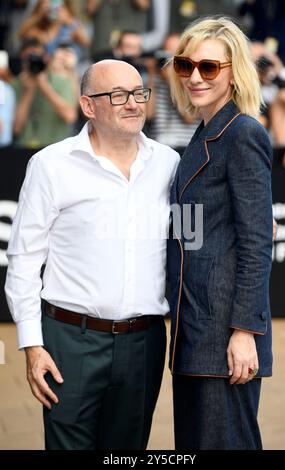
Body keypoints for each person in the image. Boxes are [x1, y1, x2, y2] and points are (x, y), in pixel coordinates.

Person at [5, 59, 180, 450]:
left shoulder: (169, 164)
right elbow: (24, 261)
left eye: (139, 93)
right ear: (88, 106)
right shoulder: (50, 165)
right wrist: (33, 347)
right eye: (118, 95)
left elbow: (192, 235)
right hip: (70, 342)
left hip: (144, 343)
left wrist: (249, 224)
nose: (133, 103)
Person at [167, 17, 273, 450]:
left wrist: (245, 331)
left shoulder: (243, 133)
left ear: (234, 72)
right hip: (192, 329)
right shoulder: (203, 133)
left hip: (224, 339)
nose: (195, 76)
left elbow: (256, 243)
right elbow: (190, 233)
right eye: (185, 64)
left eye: (208, 67)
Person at [12, 38, 77, 148]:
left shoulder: (62, 81)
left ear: (46, 58)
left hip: (55, 149)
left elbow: (70, 116)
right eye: (29, 58)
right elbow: (16, 129)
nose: (33, 62)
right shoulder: (15, 85)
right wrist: (28, 92)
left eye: (37, 57)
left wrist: (44, 86)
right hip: (22, 149)